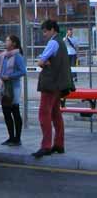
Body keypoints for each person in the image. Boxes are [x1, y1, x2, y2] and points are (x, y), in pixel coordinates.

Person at [33, 20, 72, 158]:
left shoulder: (53, 42)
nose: (44, 34)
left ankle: (46, 146)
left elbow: (41, 61)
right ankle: (59, 144)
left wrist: (44, 62)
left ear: (52, 30)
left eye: (45, 31)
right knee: (56, 115)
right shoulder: (61, 43)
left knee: (44, 115)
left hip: (49, 84)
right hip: (59, 85)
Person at [0, 35, 26, 146]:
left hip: (14, 87)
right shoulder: (3, 55)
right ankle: (11, 137)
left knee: (15, 111)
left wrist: (10, 77)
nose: (6, 42)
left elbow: (23, 71)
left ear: (13, 43)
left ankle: (17, 139)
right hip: (3, 87)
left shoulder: (17, 56)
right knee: (6, 113)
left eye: (8, 40)